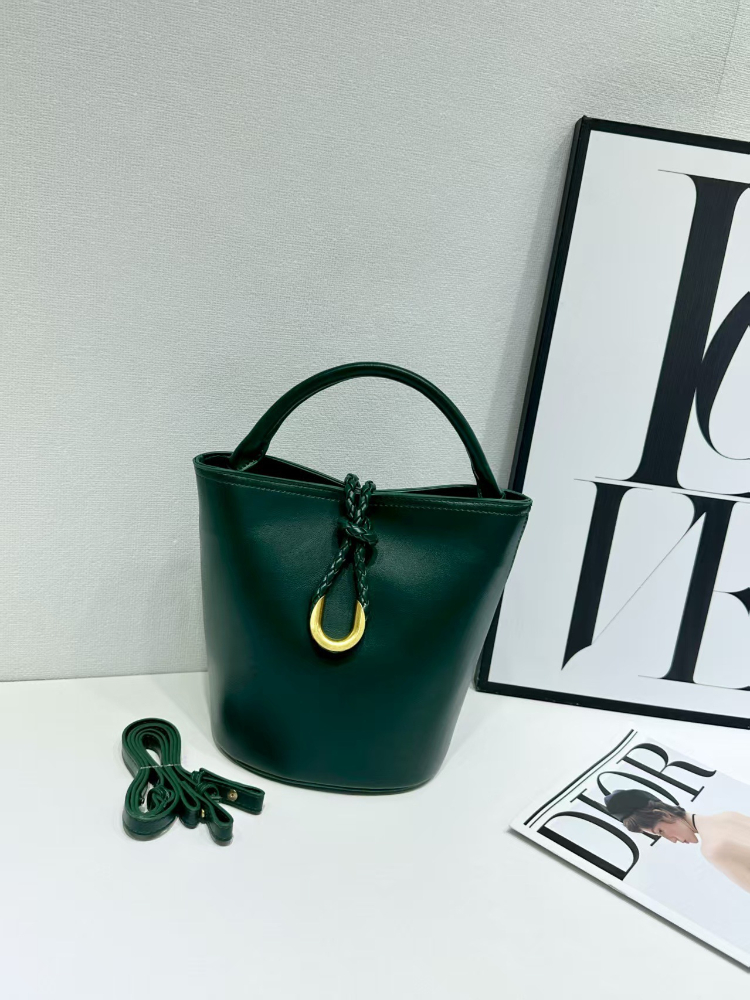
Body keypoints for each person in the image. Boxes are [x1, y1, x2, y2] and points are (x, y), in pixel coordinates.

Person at [605, 788, 750, 894]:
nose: (672, 840)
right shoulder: (729, 816)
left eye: (661, 831)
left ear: (664, 815)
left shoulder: (713, 849)